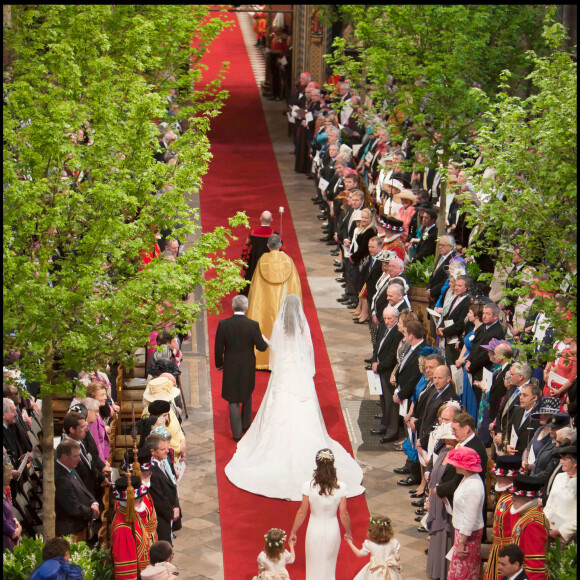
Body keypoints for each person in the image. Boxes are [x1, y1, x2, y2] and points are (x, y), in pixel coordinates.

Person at [225, 295, 364, 500]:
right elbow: (308, 348)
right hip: (298, 369)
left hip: (284, 370)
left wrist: (270, 343)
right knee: (304, 408)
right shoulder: (301, 325)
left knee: (278, 404)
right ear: (298, 310)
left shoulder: (280, 324)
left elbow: (275, 349)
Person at [289, 449, 353, 579]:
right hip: (332, 530)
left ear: (317, 464)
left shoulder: (308, 486)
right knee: (329, 566)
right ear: (333, 464)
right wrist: (348, 532)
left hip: (314, 529)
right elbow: (343, 514)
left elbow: (302, 512)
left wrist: (293, 532)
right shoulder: (341, 487)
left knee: (313, 566)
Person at [215, 294, 268, 441]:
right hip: (247, 365)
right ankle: (246, 425)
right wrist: (262, 339)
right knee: (247, 392)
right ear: (246, 307)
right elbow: (262, 347)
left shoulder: (223, 324)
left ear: (233, 306)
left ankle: (237, 434)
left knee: (233, 399)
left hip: (231, 365)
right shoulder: (253, 325)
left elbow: (218, 348)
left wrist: (219, 364)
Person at [247, 234, 302, 369]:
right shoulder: (288, 261)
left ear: (267, 246)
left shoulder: (262, 260)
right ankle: (283, 359)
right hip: (283, 303)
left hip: (265, 304)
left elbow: (256, 287)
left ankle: (262, 359)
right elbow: (295, 286)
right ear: (280, 246)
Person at [445, 447, 485, 580]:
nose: (454, 466)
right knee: (459, 571)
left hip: (468, 535)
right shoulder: (468, 478)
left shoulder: (474, 486)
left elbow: (470, 516)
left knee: (464, 572)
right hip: (464, 533)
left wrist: (462, 542)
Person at [484, 456, 525, 580]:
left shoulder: (514, 500)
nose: (498, 478)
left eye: (502, 476)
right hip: (497, 548)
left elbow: (515, 531)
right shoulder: (504, 494)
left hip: (507, 551)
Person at [424, 422, 456, 580]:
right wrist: (430, 498)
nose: (446, 441)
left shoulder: (458, 454)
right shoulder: (443, 451)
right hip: (436, 502)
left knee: (446, 538)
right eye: (445, 438)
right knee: (436, 539)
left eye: (450, 438)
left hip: (447, 506)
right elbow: (434, 476)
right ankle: (436, 573)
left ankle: (444, 574)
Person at [54, 439, 100, 541]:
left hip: (80, 525)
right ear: (64, 457)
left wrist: (94, 502)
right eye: (75, 456)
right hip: (71, 531)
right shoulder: (60, 478)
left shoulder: (69, 467)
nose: (79, 459)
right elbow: (73, 507)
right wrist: (92, 512)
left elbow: (84, 489)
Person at [111, 476, 153, 579]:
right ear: (129, 501)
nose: (142, 499)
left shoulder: (130, 514)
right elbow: (127, 571)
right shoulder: (123, 530)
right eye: (138, 499)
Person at [507, 476, 549, 580]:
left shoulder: (533, 523)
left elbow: (535, 566)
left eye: (516, 496)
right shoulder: (527, 515)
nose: (512, 498)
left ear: (528, 498)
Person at [145, 433, 180, 544]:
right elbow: (159, 498)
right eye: (163, 449)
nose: (167, 451)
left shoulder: (162, 461)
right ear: (153, 452)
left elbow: (172, 484)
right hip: (161, 518)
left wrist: (176, 505)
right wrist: (171, 513)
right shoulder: (151, 471)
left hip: (169, 512)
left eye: (167, 448)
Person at [346, 515, 403, 580]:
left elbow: (359, 554)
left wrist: (350, 543)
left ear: (371, 530)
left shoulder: (369, 544)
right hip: (390, 571)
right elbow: (397, 558)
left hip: (374, 571)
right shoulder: (394, 543)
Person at [543, 444, 576, 546]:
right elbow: (549, 505)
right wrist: (544, 523)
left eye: (565, 459)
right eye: (561, 459)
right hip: (548, 532)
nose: (561, 462)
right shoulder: (559, 477)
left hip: (568, 539)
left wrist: (561, 531)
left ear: (575, 462)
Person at [241, 211, 279, 293]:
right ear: (271, 220)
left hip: (254, 270)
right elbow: (280, 253)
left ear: (260, 219)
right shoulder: (275, 235)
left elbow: (246, 252)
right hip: (270, 272)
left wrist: (245, 268)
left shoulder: (252, 234)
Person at [3, 456, 21, 552]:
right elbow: (4, 522)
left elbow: (10, 513)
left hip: (12, 538)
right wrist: (15, 532)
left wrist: (17, 524)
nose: (11, 477)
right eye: (8, 474)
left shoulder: (5, 491)